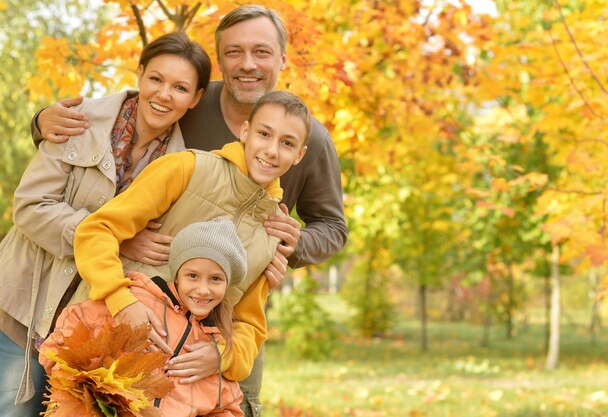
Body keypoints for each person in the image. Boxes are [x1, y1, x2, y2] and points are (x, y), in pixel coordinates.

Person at [32, 5, 349, 416]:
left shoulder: (309, 148)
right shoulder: (190, 110)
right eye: (234, 52)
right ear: (246, 132)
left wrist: (291, 247)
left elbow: (327, 233)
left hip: (204, 345)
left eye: (261, 52)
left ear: (283, 58)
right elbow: (129, 113)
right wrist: (42, 122)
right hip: (122, 328)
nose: (247, 63)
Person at [0, 32, 211, 417]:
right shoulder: (78, 121)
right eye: (156, 79)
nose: (164, 94)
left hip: (90, 330)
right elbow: (30, 207)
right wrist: (114, 239)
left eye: (180, 88)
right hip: (23, 309)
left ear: (195, 98)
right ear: (140, 74)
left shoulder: (184, 167)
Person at [72, 90, 311, 412]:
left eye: (287, 143)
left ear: (299, 154)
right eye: (264, 134)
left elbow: (249, 324)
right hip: (103, 361)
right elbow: (96, 230)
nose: (271, 150)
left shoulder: (274, 231)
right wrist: (120, 300)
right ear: (244, 132)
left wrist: (223, 355)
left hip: (176, 395)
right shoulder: (186, 168)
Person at [40, 219, 247, 417]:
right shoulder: (135, 302)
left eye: (216, 279)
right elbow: (62, 341)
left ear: (226, 285)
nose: (203, 289)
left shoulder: (213, 343)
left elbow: (227, 406)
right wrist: (81, 393)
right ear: (177, 274)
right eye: (192, 276)